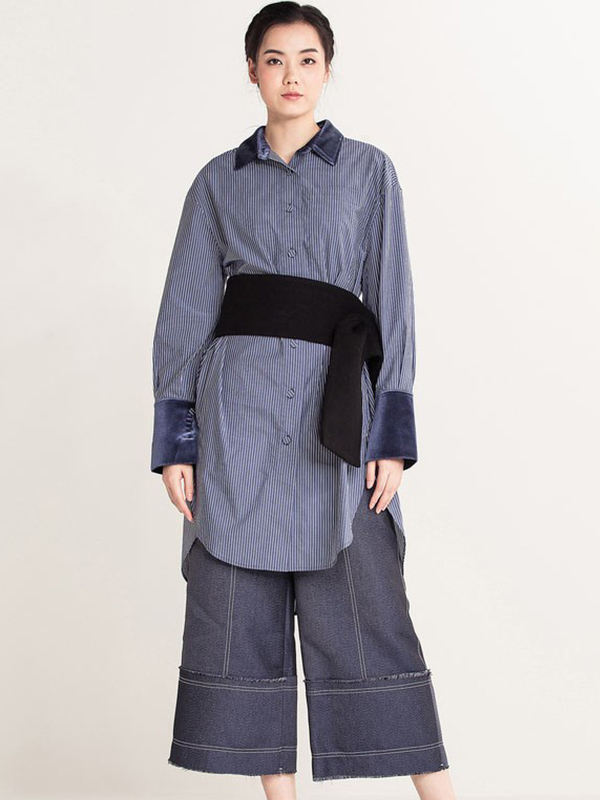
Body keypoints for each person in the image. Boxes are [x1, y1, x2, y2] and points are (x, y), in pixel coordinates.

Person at [150, 3, 457, 798]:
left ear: (327, 69)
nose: (292, 75)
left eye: (308, 59)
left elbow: (394, 301)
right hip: (238, 418)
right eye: (275, 59)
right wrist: (178, 440)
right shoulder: (216, 182)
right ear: (252, 70)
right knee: (242, 616)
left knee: (371, 613)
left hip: (336, 416)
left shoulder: (370, 171)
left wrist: (392, 434)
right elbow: (185, 313)